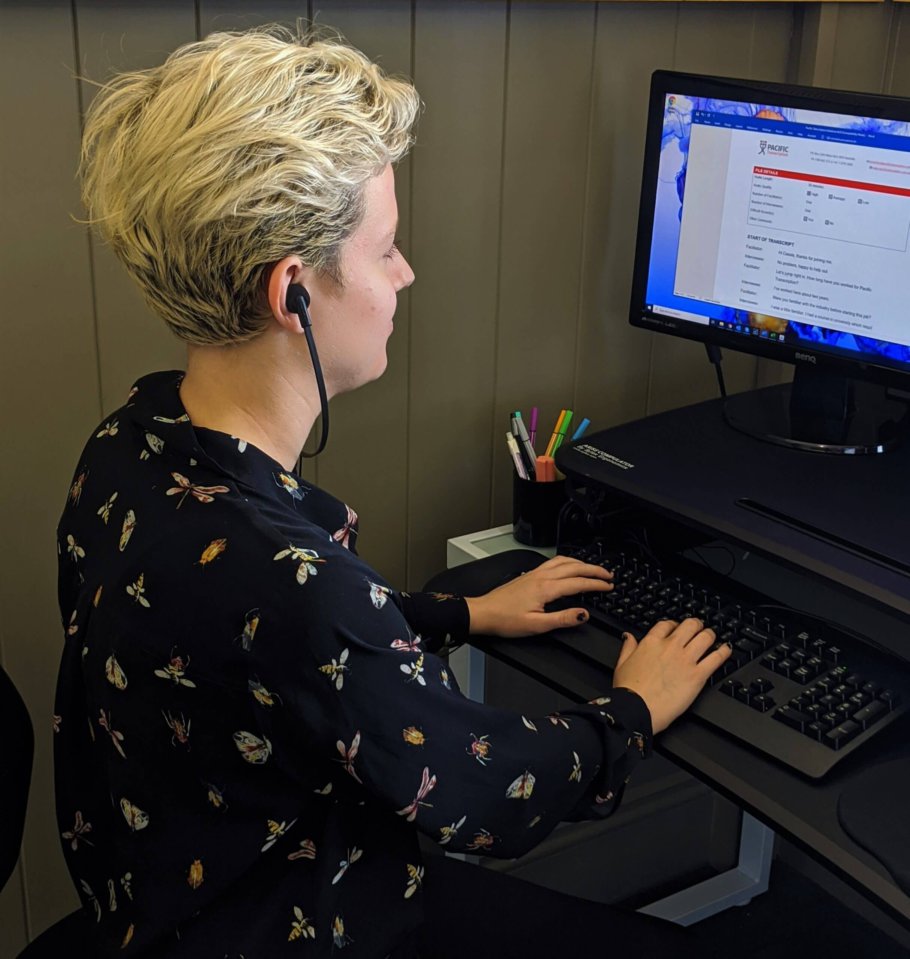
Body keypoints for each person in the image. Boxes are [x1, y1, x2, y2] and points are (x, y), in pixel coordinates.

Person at [54, 25, 731, 958]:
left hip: (164, 899)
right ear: (291, 290)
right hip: (297, 920)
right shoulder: (298, 588)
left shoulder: (129, 442)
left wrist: (456, 613)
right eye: (386, 249)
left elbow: (246, 647)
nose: (405, 273)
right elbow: (485, 794)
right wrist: (632, 710)